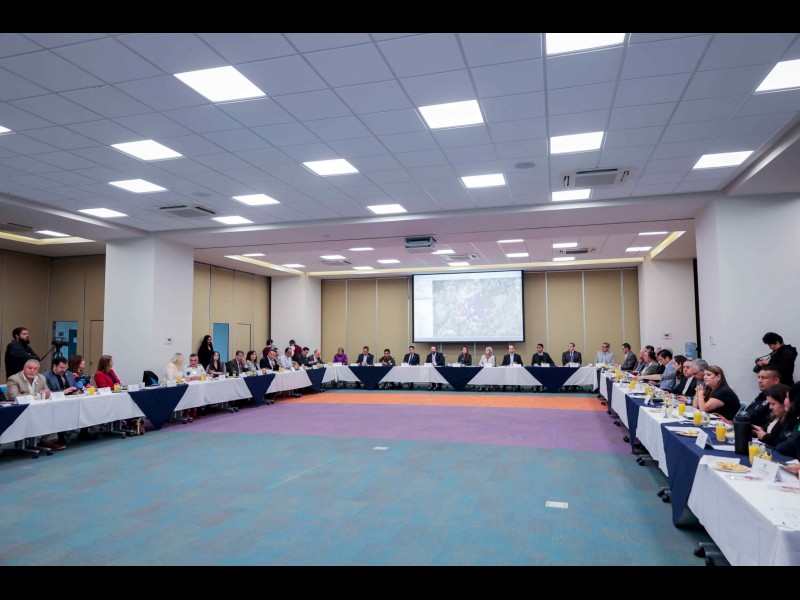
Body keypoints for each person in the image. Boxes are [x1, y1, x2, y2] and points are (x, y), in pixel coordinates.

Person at [6, 359, 64, 450]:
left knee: (51, 411)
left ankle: (48, 441)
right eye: (30, 368)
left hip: (36, 408)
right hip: (19, 410)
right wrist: (38, 395)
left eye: (35, 369)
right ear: (24, 368)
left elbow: (46, 391)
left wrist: (47, 393)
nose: (32, 370)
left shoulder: (41, 378)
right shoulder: (14, 379)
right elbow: (14, 396)